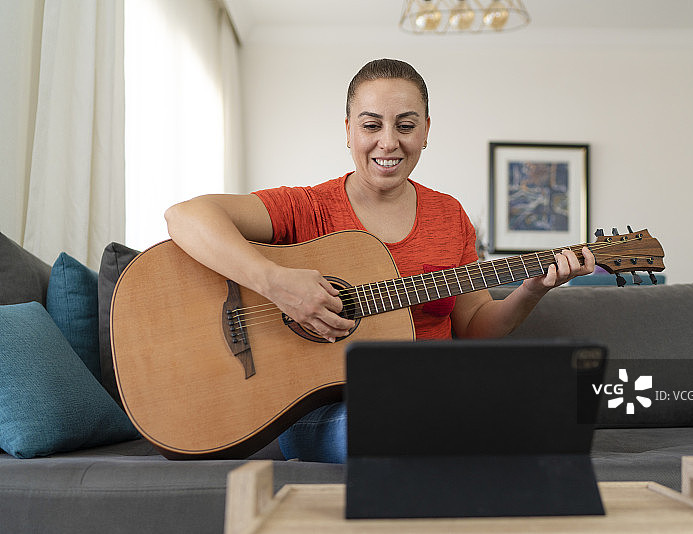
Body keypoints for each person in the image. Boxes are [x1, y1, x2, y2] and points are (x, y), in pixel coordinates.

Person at [164, 59, 595, 463]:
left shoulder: (450, 215)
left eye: (405, 126)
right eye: (371, 125)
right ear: (349, 129)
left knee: (543, 408)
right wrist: (276, 284)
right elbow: (184, 216)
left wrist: (532, 289)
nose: (388, 142)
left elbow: (474, 325)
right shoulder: (308, 207)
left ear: (425, 131)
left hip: (433, 396)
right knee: (413, 427)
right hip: (328, 410)